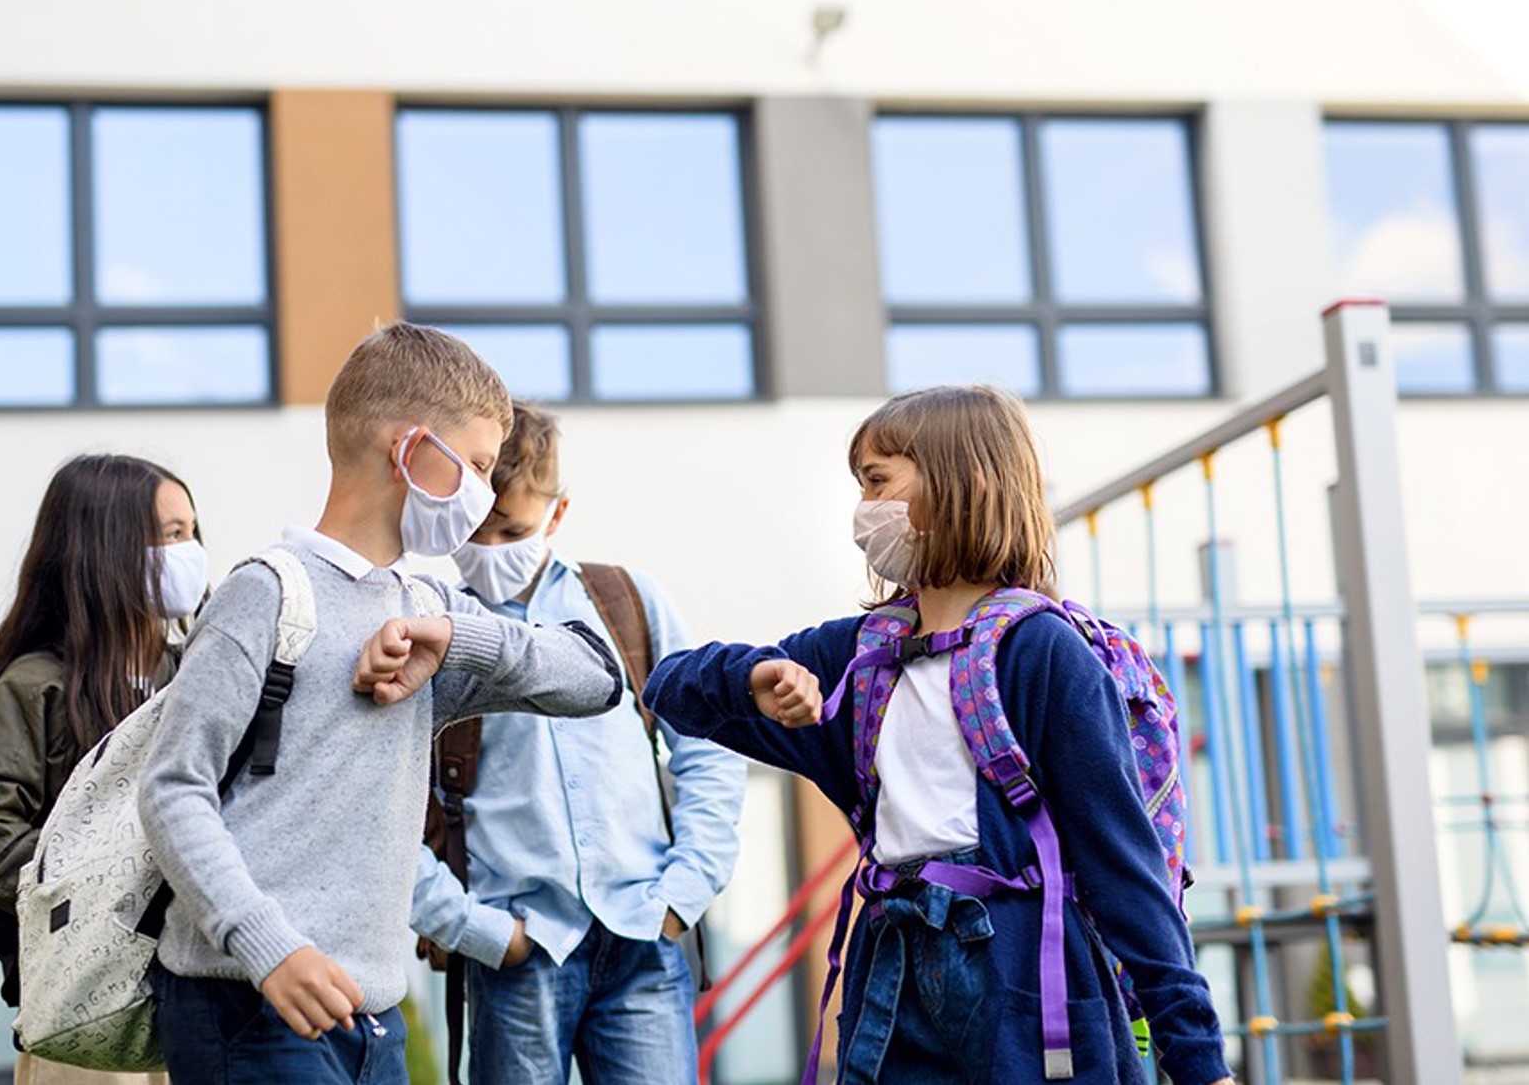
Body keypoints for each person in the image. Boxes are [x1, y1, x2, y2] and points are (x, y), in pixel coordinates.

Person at [642, 386, 1234, 1085]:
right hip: (891, 975)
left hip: (1023, 976)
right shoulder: (857, 657)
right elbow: (670, 688)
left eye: (878, 481)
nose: (864, 511)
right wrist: (755, 678)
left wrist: (1197, 1060)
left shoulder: (1042, 653)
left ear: (965, 483)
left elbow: (1123, 868)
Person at [137, 323, 625, 1085]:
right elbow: (171, 788)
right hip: (249, 1008)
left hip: (372, 1021)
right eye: (475, 464)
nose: (484, 493)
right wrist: (271, 949)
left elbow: (596, 680)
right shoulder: (264, 591)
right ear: (411, 449)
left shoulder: (429, 608)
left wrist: (457, 637)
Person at [412, 402, 745, 1085]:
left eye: (512, 529)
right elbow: (383, 805)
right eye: (475, 530)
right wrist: (476, 930)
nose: (491, 549)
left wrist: (684, 893)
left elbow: (707, 744)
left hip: (645, 934)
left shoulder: (626, 599)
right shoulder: (431, 625)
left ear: (556, 515)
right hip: (516, 948)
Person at [0, 453, 209, 1085]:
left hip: (204, 1005)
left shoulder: (199, 673)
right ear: (104, 550)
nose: (189, 550)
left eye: (192, 531)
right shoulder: (35, 688)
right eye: (168, 535)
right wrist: (114, 892)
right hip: (92, 1023)